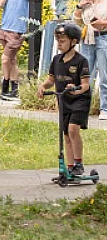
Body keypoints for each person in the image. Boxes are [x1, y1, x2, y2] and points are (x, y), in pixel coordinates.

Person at [36, 23, 91, 176]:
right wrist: (43, 86)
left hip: (80, 100)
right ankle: (70, 165)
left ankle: (79, 163)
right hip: (64, 101)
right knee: (66, 134)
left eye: (62, 40)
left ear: (73, 42)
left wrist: (76, 88)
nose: (59, 43)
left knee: (73, 130)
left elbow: (85, 85)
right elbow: (51, 80)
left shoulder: (81, 61)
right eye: (57, 40)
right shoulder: (56, 60)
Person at [73, 0, 107, 120]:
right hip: (87, 39)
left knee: (104, 74)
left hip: (103, 38)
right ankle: (83, 106)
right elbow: (77, 21)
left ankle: (104, 108)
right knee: (86, 74)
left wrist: (103, 23)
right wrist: (80, 6)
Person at [0, 0, 33, 101]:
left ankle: (5, 87)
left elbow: (35, 0)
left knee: (5, 59)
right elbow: (0, 3)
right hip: (5, 28)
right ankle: (14, 89)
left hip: (17, 30)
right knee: (11, 60)